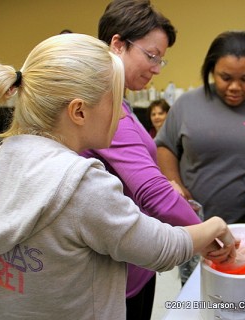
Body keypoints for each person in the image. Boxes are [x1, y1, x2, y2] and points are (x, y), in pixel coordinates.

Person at [0, 33, 238, 320]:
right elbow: (162, 248)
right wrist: (216, 226)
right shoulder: (82, 185)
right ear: (79, 111)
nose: (121, 117)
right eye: (116, 102)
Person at [80, 1, 202, 318]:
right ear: (118, 44)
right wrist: (211, 234)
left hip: (135, 266)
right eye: (151, 56)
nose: (158, 68)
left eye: (161, 59)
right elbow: (152, 193)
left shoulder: (121, 103)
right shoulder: (103, 107)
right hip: (115, 276)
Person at [155, 30, 245, 227]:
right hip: (192, 217)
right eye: (226, 77)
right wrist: (175, 184)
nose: (235, 87)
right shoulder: (187, 104)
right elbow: (165, 146)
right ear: (211, 71)